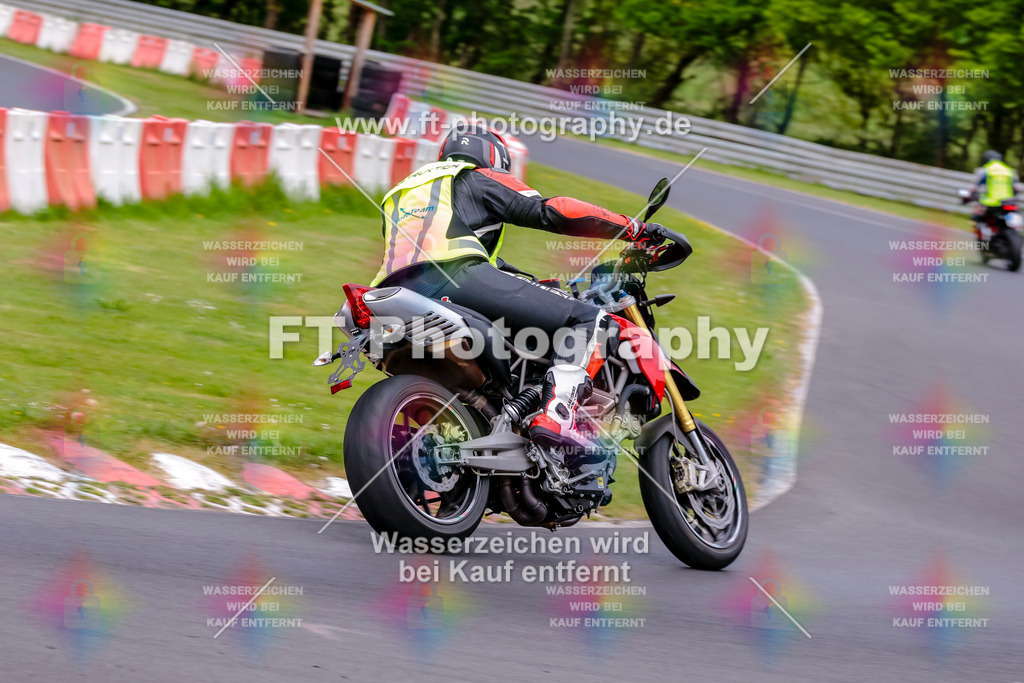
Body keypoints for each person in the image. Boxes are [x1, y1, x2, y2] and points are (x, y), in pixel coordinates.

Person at [370, 122, 665, 464]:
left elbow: (459, 254)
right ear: (493, 158)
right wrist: (633, 228)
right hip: (454, 277)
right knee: (586, 319)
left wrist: (541, 287)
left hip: (394, 292)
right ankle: (556, 415)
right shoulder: (474, 176)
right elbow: (555, 211)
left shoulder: (403, 192)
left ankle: (492, 428)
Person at [970, 150, 1019, 240]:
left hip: (992, 202)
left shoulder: (985, 170)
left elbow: (975, 187)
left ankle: (984, 237)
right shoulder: (1010, 171)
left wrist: (972, 194)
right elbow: (1015, 189)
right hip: (1009, 202)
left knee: (976, 215)